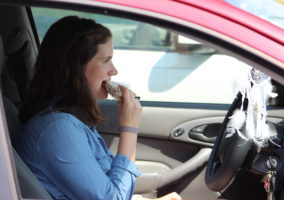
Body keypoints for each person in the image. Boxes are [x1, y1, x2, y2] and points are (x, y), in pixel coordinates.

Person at [14, 16, 183, 200]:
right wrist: (129, 128)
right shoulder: (58, 128)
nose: (114, 71)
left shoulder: (73, 120)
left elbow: (104, 186)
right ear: (76, 69)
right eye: (106, 61)